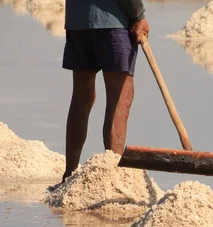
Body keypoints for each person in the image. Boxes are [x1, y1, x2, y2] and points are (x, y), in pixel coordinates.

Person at [50, 0, 150, 191]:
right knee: (120, 97)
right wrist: (138, 15)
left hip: (78, 22)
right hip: (113, 22)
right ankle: (112, 179)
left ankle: (69, 175)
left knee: (81, 97)